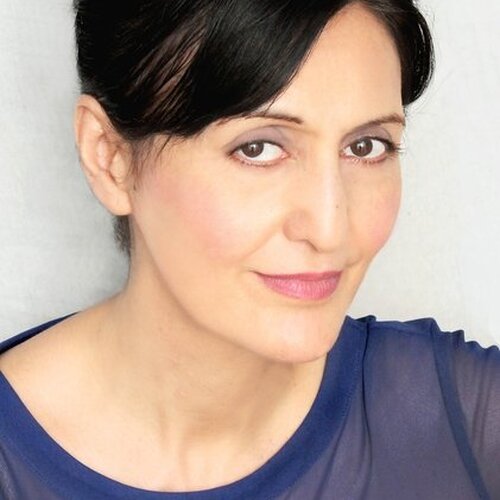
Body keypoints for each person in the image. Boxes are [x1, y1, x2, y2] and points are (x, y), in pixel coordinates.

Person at [0, 0, 498, 498]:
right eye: (257, 148)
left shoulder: (461, 418)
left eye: (366, 146)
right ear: (110, 158)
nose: (329, 230)